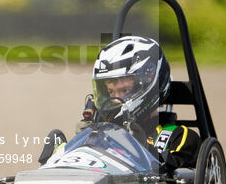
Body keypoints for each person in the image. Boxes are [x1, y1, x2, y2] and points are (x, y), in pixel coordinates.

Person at [77, 35, 199, 169]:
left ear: (149, 84)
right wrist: (82, 141)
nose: (116, 99)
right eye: (111, 92)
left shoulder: (179, 137)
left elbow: (176, 176)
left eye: (124, 90)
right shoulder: (103, 135)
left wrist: (142, 148)